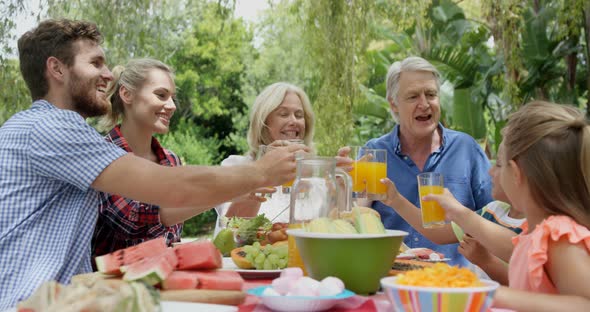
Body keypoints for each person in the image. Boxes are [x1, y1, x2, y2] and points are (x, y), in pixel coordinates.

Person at [0, 19, 304, 309]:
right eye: (95, 63)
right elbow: (170, 191)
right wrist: (259, 171)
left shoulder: (51, 129)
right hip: (26, 303)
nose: (107, 74)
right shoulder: (51, 128)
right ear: (56, 68)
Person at [360, 56, 493, 266]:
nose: (424, 104)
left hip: (455, 281)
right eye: (413, 96)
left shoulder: (466, 149)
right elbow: (356, 218)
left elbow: (496, 218)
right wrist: (339, 187)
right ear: (393, 104)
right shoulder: (374, 152)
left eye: (431, 94)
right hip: (392, 278)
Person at [476, 101, 590, 311]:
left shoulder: (559, 235)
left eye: (499, 163)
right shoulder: (535, 233)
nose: (493, 171)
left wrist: (495, 294)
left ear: (515, 172)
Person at [92, 58, 196, 257]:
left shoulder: (172, 161)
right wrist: (225, 191)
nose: (172, 105)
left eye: (172, 97)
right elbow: (132, 220)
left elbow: (170, 237)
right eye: (161, 95)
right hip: (112, 285)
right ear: (127, 94)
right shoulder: (101, 154)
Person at [381, 142, 524, 284]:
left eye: (498, 164)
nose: (490, 171)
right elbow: (438, 233)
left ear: (517, 173)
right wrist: (395, 200)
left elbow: (525, 287)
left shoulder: (536, 228)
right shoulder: (492, 210)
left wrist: (487, 262)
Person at [214, 82, 315, 232]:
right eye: (283, 114)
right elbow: (232, 232)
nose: (294, 121)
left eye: (299, 115)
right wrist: (262, 174)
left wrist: (337, 190)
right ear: (263, 121)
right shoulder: (235, 166)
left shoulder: (316, 175)